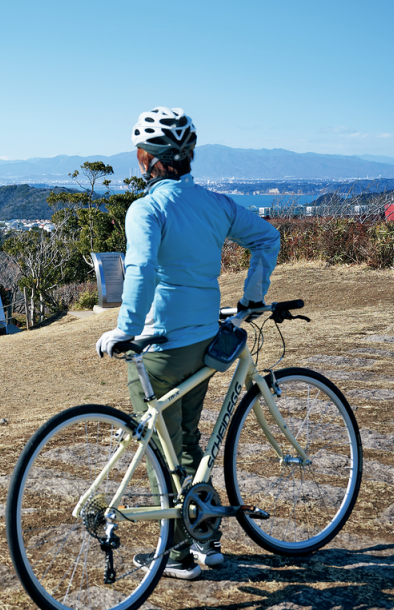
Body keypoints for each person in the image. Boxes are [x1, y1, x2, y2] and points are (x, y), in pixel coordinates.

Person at [95, 107, 281, 580]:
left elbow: (140, 270)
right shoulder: (217, 205)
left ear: (143, 159)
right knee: (188, 440)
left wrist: (126, 330)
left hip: (158, 346)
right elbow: (267, 238)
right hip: (204, 340)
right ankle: (206, 541)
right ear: (191, 154)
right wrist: (253, 297)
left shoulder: (147, 209)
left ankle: (178, 556)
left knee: (160, 450)